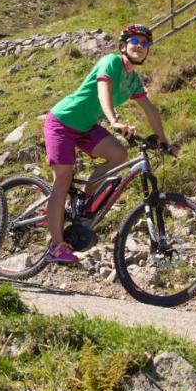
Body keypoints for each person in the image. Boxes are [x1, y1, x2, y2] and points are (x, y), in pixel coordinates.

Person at [42, 23, 172, 264]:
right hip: (62, 121)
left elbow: (151, 111)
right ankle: (58, 247)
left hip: (85, 126)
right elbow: (103, 92)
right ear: (123, 46)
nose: (140, 47)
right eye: (135, 41)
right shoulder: (111, 62)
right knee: (63, 180)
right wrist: (114, 121)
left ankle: (82, 198)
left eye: (145, 44)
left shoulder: (133, 80)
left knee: (119, 155)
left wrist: (165, 141)